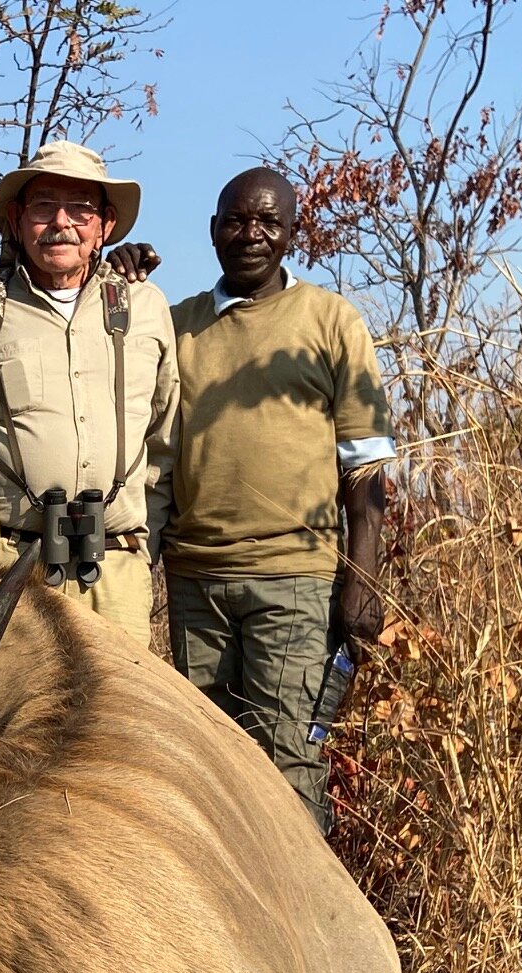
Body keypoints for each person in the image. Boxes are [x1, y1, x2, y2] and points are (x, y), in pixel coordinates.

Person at [165, 166, 395, 832]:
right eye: (236, 220)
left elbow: (367, 465)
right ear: (213, 231)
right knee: (203, 770)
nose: (251, 235)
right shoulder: (180, 325)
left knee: (289, 765)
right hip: (195, 582)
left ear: (293, 232)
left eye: (268, 221)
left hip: (294, 580)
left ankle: (304, 932)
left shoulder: (330, 319)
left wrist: (361, 580)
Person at [0, 142, 178, 647]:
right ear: (16, 217)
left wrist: (143, 543)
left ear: (106, 226)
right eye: (44, 206)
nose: (62, 223)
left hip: (116, 569)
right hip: (8, 565)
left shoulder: (146, 306)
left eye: (81, 209)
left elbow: (165, 435)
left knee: (116, 724)